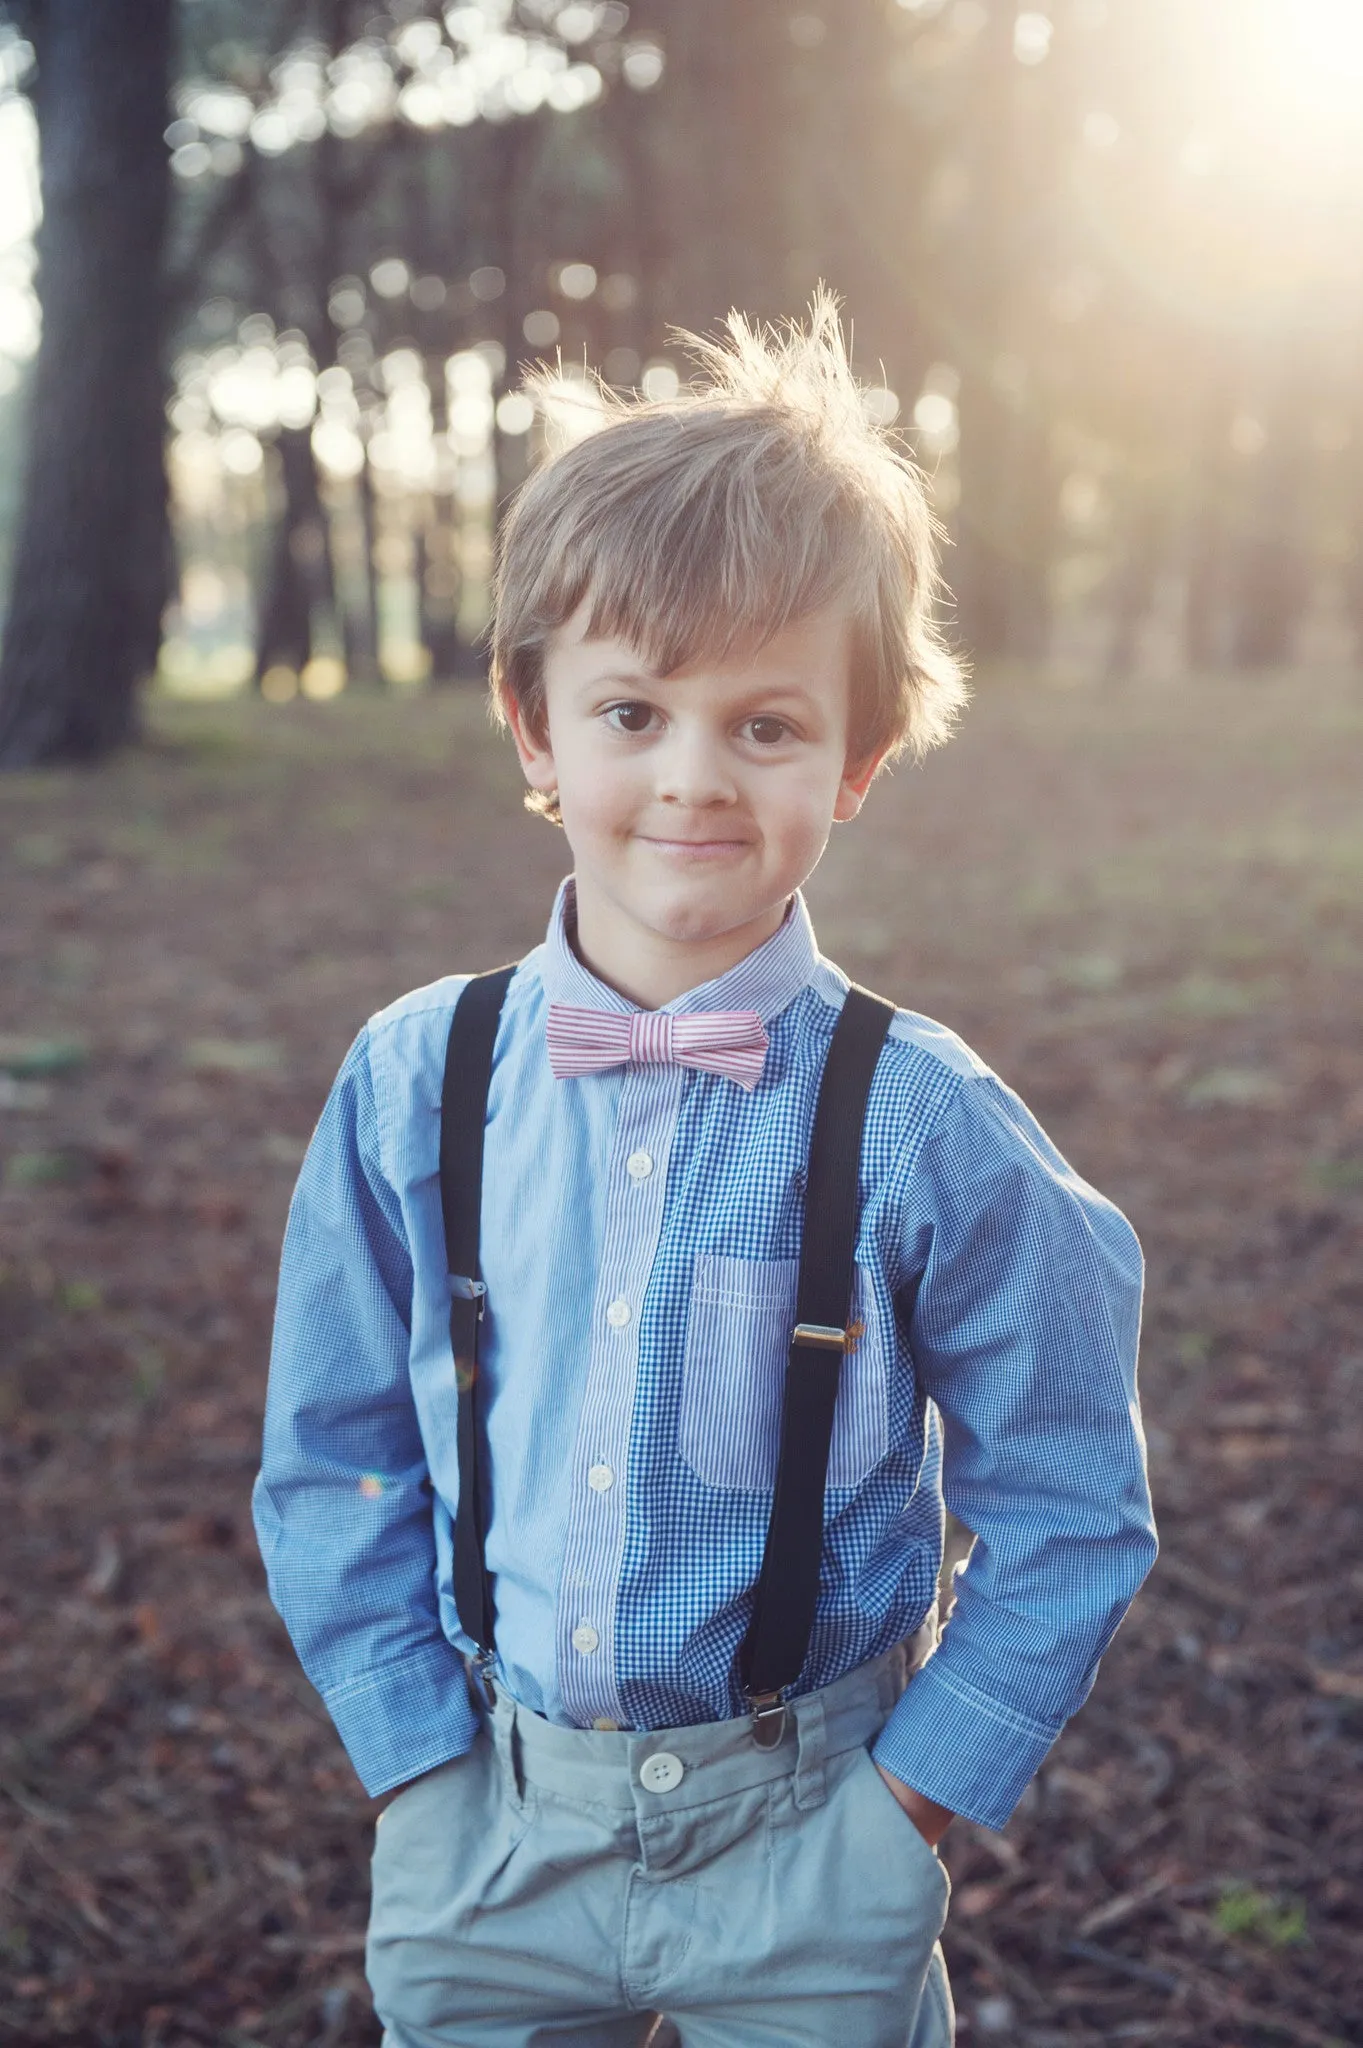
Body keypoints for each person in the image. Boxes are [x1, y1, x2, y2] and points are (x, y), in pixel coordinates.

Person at [253, 295, 1156, 2048]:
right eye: (631, 710)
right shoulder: (409, 1082)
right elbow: (332, 1453)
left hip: (812, 1834)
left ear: (857, 760)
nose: (691, 778)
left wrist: (909, 1813)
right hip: (492, 1831)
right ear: (533, 727)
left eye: (765, 726)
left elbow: (1066, 1503)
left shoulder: (924, 1121)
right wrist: (410, 1768)